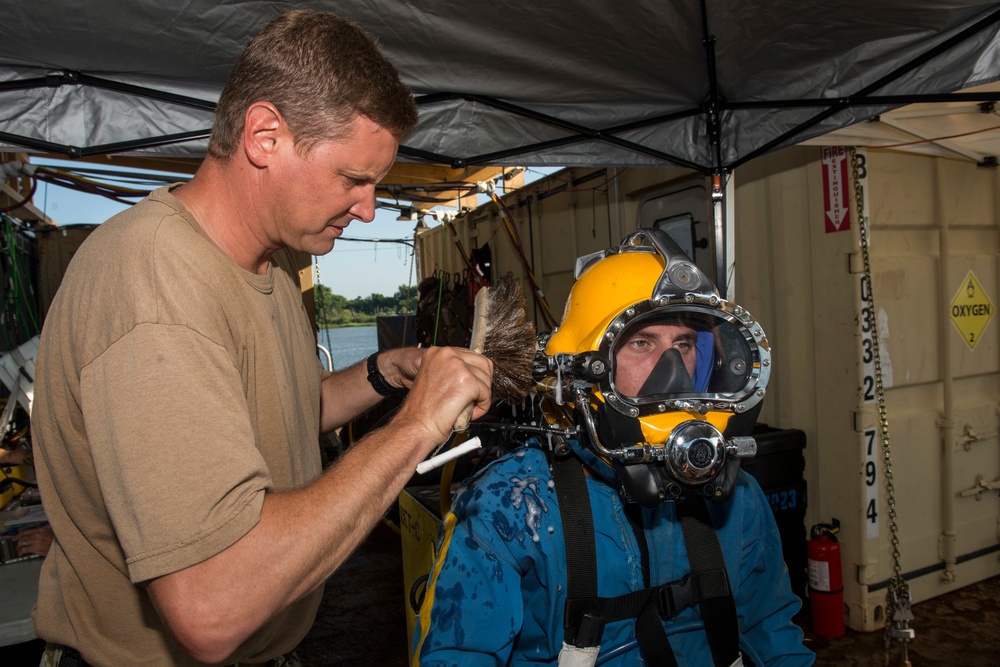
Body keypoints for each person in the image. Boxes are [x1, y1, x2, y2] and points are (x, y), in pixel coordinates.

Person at [31, 10, 493, 667]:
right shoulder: (155, 283)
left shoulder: (269, 266)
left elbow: (284, 413)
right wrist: (415, 425)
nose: (367, 207)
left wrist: (388, 374)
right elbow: (212, 605)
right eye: (353, 179)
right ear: (265, 137)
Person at [413, 229, 813, 666]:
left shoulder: (738, 498)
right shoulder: (510, 508)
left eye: (684, 344)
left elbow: (773, 635)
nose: (674, 369)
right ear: (581, 365)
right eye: (642, 343)